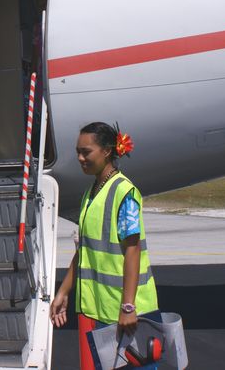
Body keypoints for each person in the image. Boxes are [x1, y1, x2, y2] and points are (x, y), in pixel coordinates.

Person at [50, 122, 160, 369]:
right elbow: (85, 251)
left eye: (86, 152)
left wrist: (128, 306)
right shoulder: (91, 193)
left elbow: (133, 250)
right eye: (78, 151)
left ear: (107, 151)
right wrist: (64, 292)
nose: (80, 158)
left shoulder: (124, 193)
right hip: (103, 312)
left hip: (131, 314)